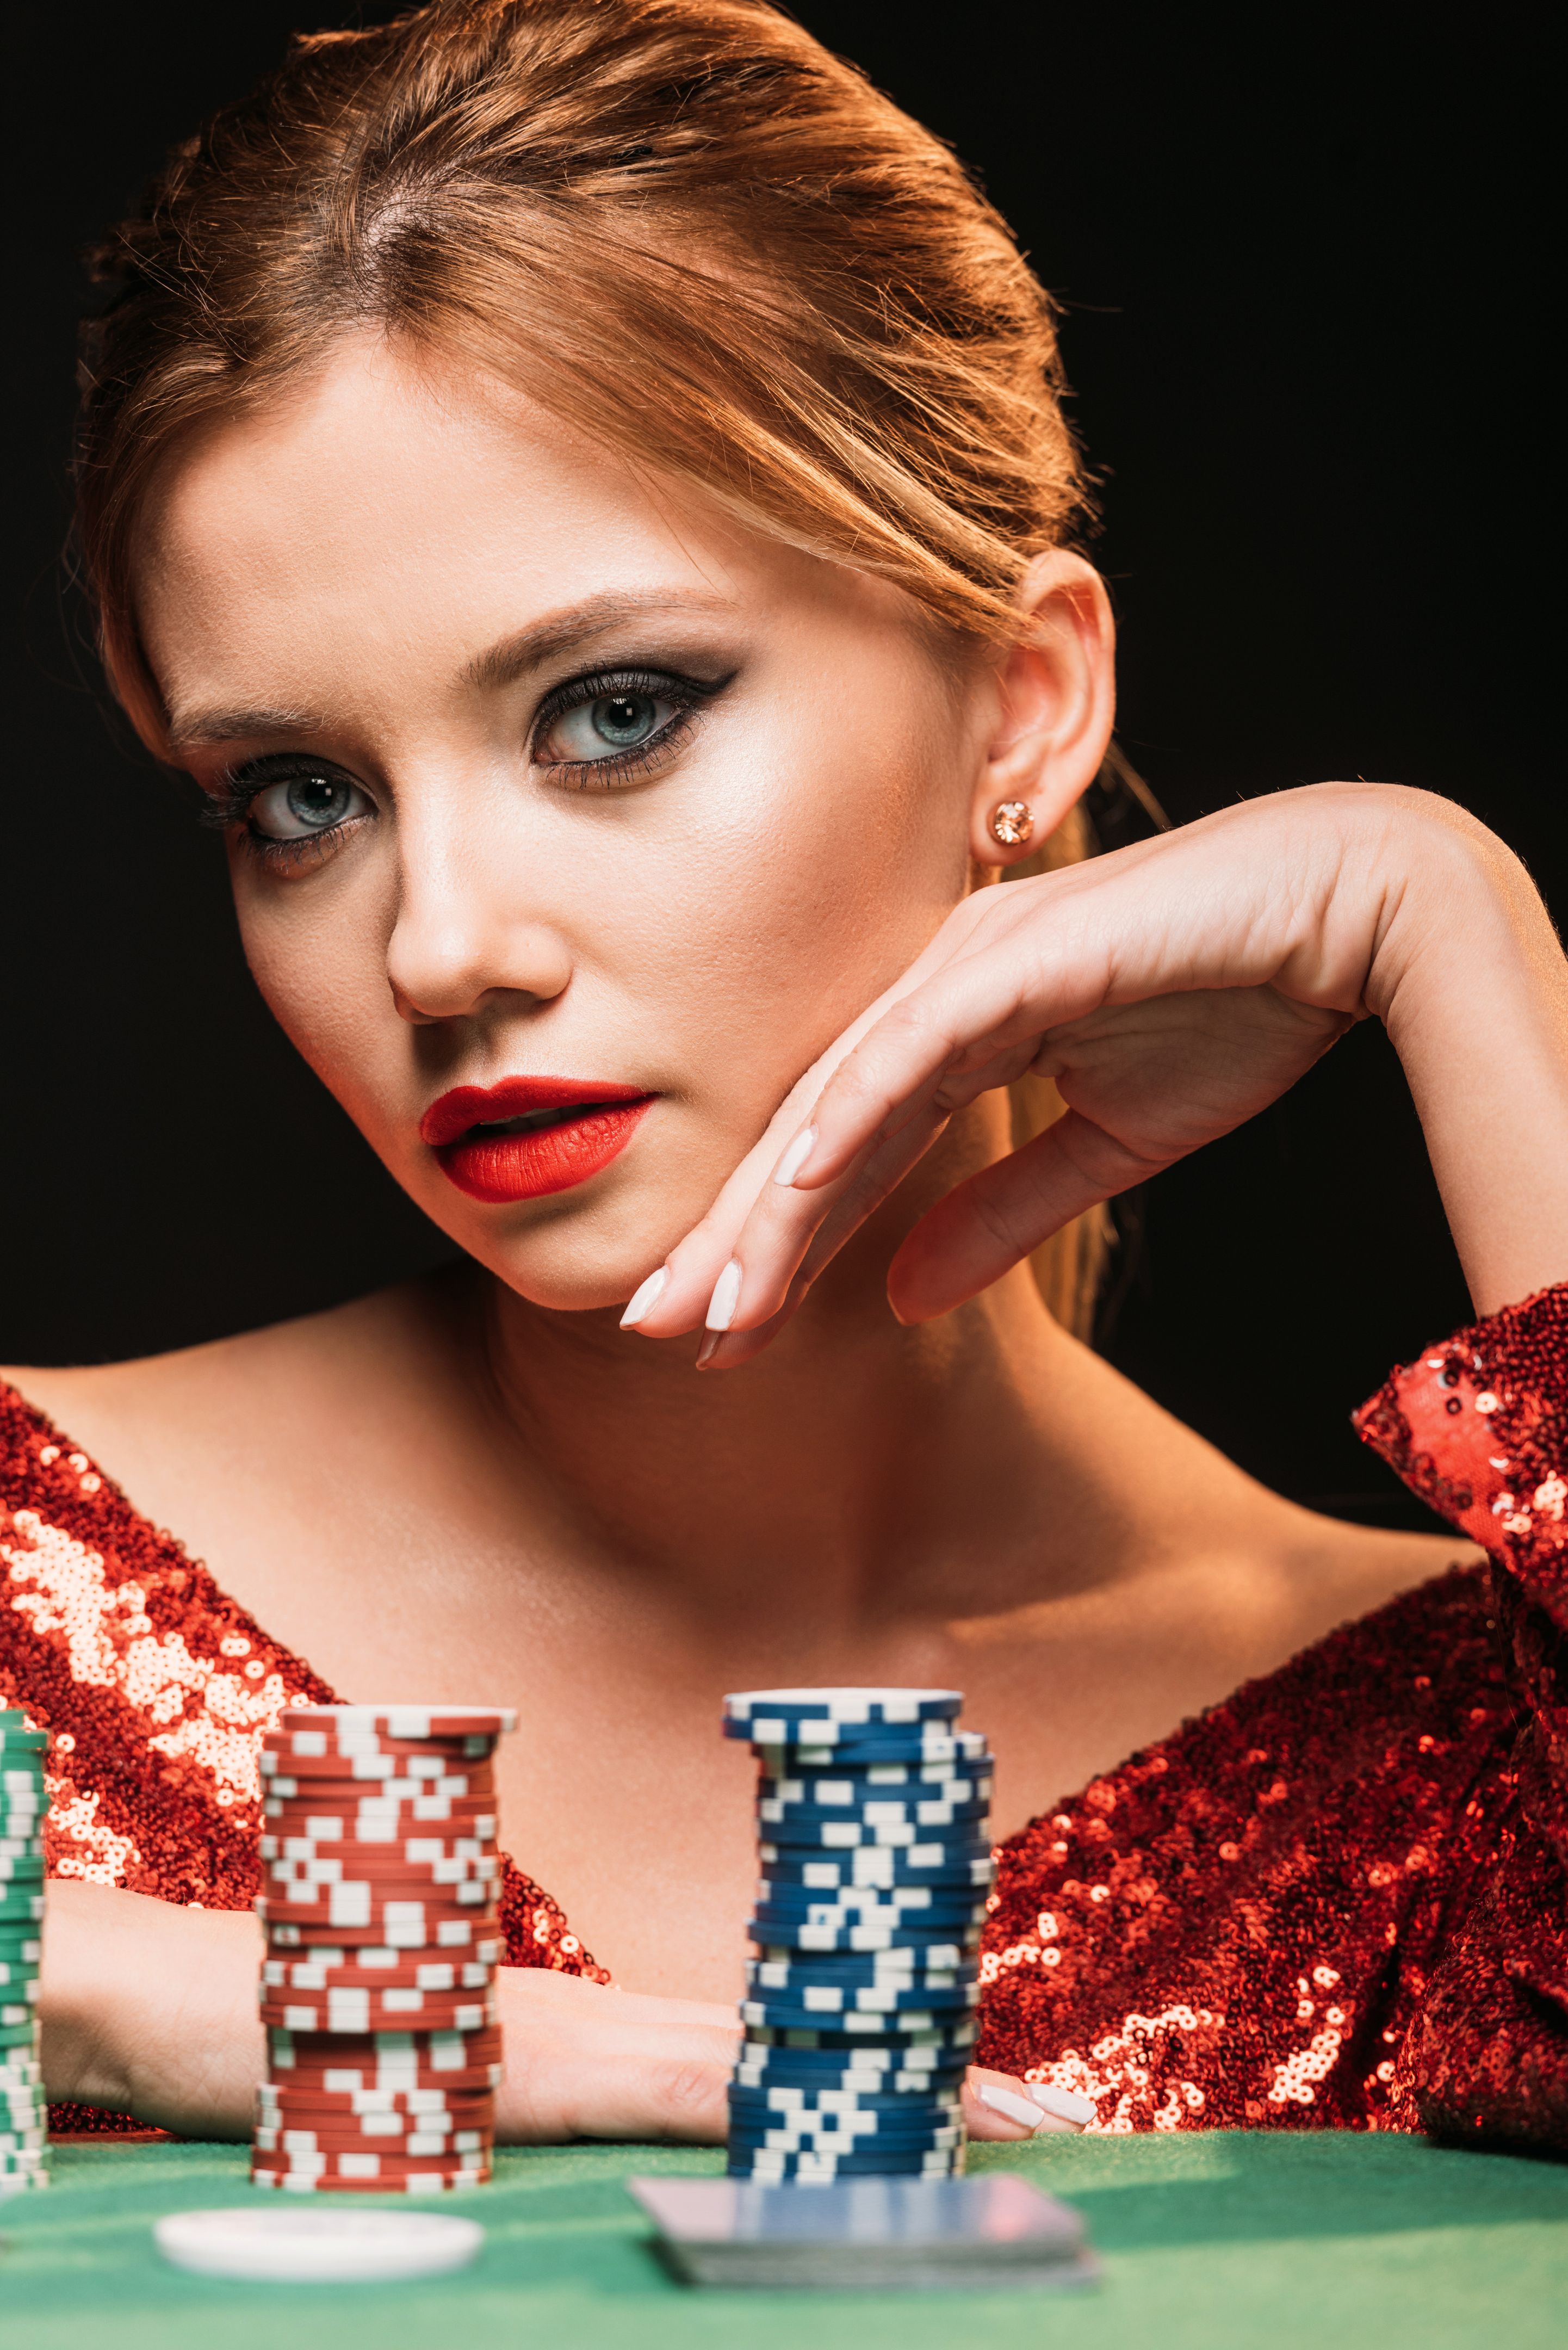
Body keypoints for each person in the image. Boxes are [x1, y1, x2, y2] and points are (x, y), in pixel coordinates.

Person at [5, 0, 1565, 2154]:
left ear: (1020, 709)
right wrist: (83, 1982)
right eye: (297, 795)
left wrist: (1456, 934)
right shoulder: (23, 1587)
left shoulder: (1458, 1751)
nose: (439, 945)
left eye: (617, 711)